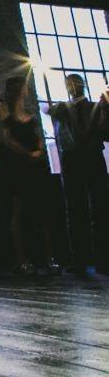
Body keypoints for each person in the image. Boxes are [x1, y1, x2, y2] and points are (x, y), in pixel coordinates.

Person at [0, 77, 59, 275]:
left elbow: (38, 137)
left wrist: (38, 151)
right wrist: (26, 153)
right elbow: (4, 137)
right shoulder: (1, 109)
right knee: (17, 212)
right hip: (14, 165)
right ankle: (22, 260)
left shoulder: (28, 111)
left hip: (35, 166)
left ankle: (48, 258)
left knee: (41, 210)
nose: (21, 91)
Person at [46, 74, 109, 274]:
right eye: (68, 83)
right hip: (72, 160)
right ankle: (80, 259)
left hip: (91, 158)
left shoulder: (96, 107)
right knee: (75, 209)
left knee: (99, 207)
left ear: (82, 85)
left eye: (75, 83)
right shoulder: (62, 109)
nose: (72, 86)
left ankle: (102, 258)